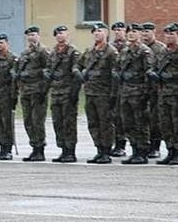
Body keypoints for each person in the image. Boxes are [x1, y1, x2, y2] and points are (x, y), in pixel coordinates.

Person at [116, 23, 156, 165]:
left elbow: (149, 73)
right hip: (126, 92)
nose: (131, 34)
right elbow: (118, 69)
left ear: (140, 34)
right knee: (128, 123)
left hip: (139, 93)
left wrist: (146, 94)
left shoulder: (144, 51)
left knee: (141, 123)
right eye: (129, 32)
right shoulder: (125, 51)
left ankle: (142, 151)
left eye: (134, 31)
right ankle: (134, 149)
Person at [78, 22, 118, 164]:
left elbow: (115, 75)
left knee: (105, 123)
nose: (97, 33)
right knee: (93, 122)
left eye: (100, 31)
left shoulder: (111, 52)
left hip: (104, 93)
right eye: (94, 31)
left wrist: (113, 95)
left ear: (106, 33)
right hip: (90, 92)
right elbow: (79, 64)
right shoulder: (89, 51)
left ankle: (106, 151)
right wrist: (79, 72)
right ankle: (99, 149)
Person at [155, 22, 178, 165]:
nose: (169, 36)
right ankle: (170, 150)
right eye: (167, 34)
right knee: (165, 124)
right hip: (164, 94)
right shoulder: (163, 52)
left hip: (177, 94)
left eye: (172, 34)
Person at [47, 25, 82, 163]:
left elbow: (77, 73)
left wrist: (74, 93)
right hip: (56, 92)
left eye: (62, 33)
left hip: (68, 92)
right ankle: (63, 149)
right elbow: (49, 70)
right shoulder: (53, 52)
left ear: (67, 35)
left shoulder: (73, 52)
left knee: (69, 123)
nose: (60, 36)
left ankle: (70, 151)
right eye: (57, 34)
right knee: (57, 122)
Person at [16, 25, 51, 161]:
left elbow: (47, 70)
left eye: (33, 35)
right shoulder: (25, 53)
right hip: (26, 91)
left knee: (37, 121)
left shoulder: (43, 51)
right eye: (29, 35)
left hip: (38, 91)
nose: (31, 38)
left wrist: (44, 90)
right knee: (28, 121)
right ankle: (34, 147)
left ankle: (40, 149)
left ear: (38, 36)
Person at [0, 33, 18, 160]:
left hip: (7, 93)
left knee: (7, 122)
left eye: (1, 43)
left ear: (7, 43)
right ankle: (2, 147)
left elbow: (15, 79)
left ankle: (8, 149)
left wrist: (14, 96)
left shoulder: (12, 58)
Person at [141, 22, 166, 158]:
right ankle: (143, 145)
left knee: (155, 119)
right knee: (141, 119)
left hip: (155, 89)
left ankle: (155, 146)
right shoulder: (139, 48)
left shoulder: (160, 48)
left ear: (154, 32)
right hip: (140, 89)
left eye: (148, 31)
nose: (145, 34)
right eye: (143, 31)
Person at [110, 21, 129, 156]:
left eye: (120, 30)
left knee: (125, 118)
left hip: (128, 88)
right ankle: (117, 143)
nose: (117, 32)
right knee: (114, 117)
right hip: (111, 88)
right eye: (115, 30)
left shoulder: (130, 48)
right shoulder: (109, 48)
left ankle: (123, 144)